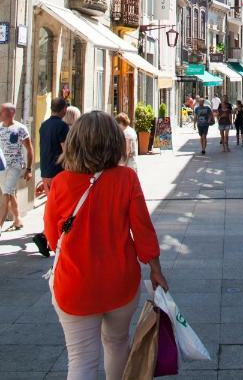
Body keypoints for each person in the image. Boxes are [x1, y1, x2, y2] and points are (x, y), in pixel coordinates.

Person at [44, 110, 168, 380]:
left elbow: (53, 240)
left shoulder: (61, 182)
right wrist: (155, 269)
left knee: (81, 361)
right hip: (119, 283)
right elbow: (143, 231)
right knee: (116, 344)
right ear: (115, 142)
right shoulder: (126, 179)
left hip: (74, 285)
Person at [32, 98, 69, 257]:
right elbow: (65, 149)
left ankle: (46, 235)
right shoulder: (62, 126)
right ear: (64, 110)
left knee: (53, 205)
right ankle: (45, 235)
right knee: (61, 207)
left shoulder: (44, 125)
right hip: (58, 171)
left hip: (46, 171)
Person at [0, 102, 34, 234]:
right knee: (9, 192)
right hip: (2, 166)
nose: (0, 114)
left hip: (15, 166)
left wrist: (29, 169)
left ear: (10, 113)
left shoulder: (20, 129)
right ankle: (18, 219)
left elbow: (29, 149)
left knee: (6, 193)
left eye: (2, 111)